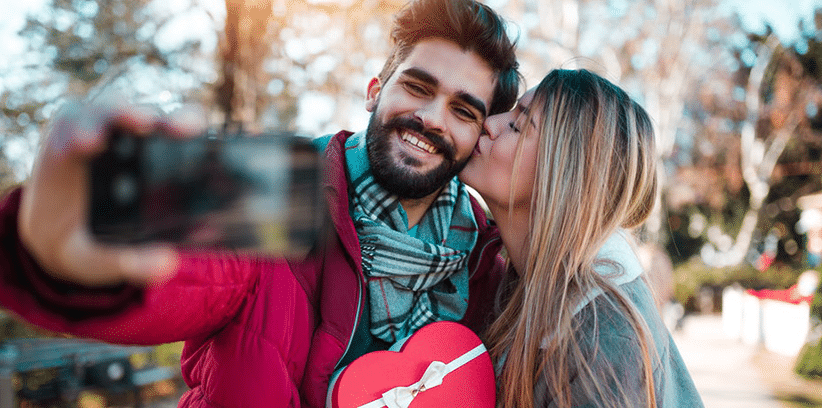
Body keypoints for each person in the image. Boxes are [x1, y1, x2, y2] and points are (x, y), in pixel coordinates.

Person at [0, 0, 519, 406]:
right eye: (417, 86)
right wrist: (62, 256)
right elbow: (190, 269)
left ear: (479, 136)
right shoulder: (273, 187)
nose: (431, 117)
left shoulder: (483, 261)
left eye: (462, 110)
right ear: (374, 91)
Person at [460, 69, 703, 407]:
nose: (490, 122)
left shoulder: (601, 343)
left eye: (518, 125)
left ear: (562, 174)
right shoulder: (523, 284)